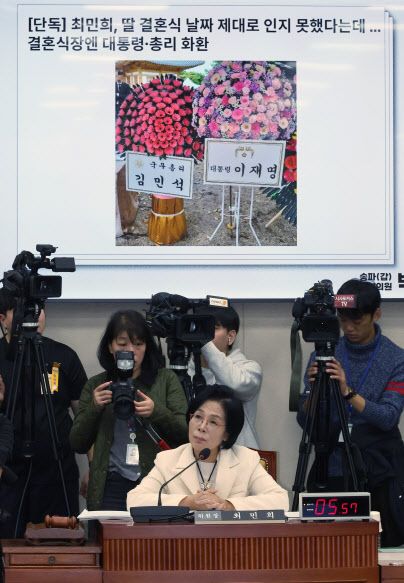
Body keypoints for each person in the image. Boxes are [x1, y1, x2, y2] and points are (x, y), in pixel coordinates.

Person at [297, 278, 404, 546]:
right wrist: (314, 392)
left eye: (356, 321)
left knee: (380, 547)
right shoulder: (324, 353)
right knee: (326, 548)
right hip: (330, 464)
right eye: (343, 321)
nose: (348, 328)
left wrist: (347, 392)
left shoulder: (396, 358)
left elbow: (388, 417)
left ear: (376, 314)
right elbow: (305, 420)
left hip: (379, 468)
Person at [70, 309, 188, 511]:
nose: (131, 351)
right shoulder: (97, 385)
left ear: (147, 347)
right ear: (110, 346)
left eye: (138, 344)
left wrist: (156, 412)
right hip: (111, 484)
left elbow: (185, 435)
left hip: (156, 482)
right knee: (110, 532)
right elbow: (77, 443)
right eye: (122, 344)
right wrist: (94, 408)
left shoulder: (166, 380)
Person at [0, 287, 88, 537]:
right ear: (2, 319)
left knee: (59, 542)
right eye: (23, 310)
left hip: (56, 471)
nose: (34, 316)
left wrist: (93, 468)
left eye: (38, 309)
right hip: (8, 473)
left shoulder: (64, 356)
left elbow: (85, 418)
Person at [127, 385, 289, 511]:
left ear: (227, 433)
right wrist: (186, 502)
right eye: (198, 417)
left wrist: (228, 505)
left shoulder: (246, 459)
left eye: (213, 422)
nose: (201, 427)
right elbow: (134, 500)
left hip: (231, 542)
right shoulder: (168, 460)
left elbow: (280, 500)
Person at [187, 305, 262, 448]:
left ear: (230, 336)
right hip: (195, 454)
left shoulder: (250, 369)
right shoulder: (183, 372)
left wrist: (205, 344)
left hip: (239, 455)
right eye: (200, 328)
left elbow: (235, 385)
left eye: (212, 328)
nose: (204, 334)